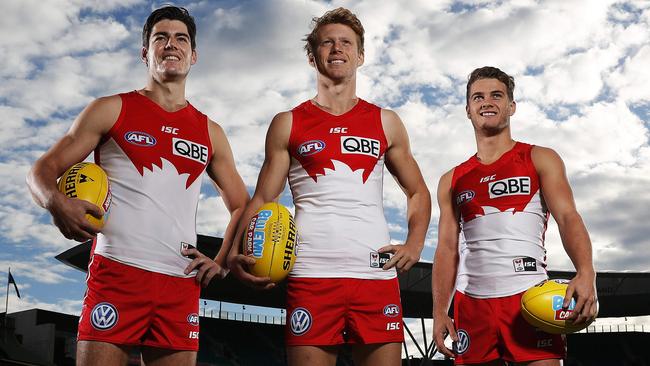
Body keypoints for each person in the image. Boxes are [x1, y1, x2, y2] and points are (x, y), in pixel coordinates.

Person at [26, 6, 249, 366]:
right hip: (117, 272)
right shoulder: (110, 109)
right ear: (146, 52)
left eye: (181, 38)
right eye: (160, 37)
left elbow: (242, 204)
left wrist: (221, 261)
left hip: (180, 282)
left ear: (194, 55)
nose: (170, 45)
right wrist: (55, 202)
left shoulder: (211, 133)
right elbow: (41, 169)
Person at [227, 7, 431, 366]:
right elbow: (263, 197)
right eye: (327, 43)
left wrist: (415, 243)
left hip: (375, 274)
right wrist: (235, 253)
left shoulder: (386, 122)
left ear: (360, 55)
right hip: (311, 274)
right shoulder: (287, 123)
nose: (337, 49)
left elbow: (418, 192)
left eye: (346, 43)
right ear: (312, 56)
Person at [431, 66, 598, 365]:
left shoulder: (540, 158)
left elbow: (568, 216)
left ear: (511, 106)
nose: (487, 102)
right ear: (468, 110)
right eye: (478, 97)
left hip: (528, 296)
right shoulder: (452, 179)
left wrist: (586, 271)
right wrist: (439, 310)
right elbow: (445, 248)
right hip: (471, 304)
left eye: (497, 95)